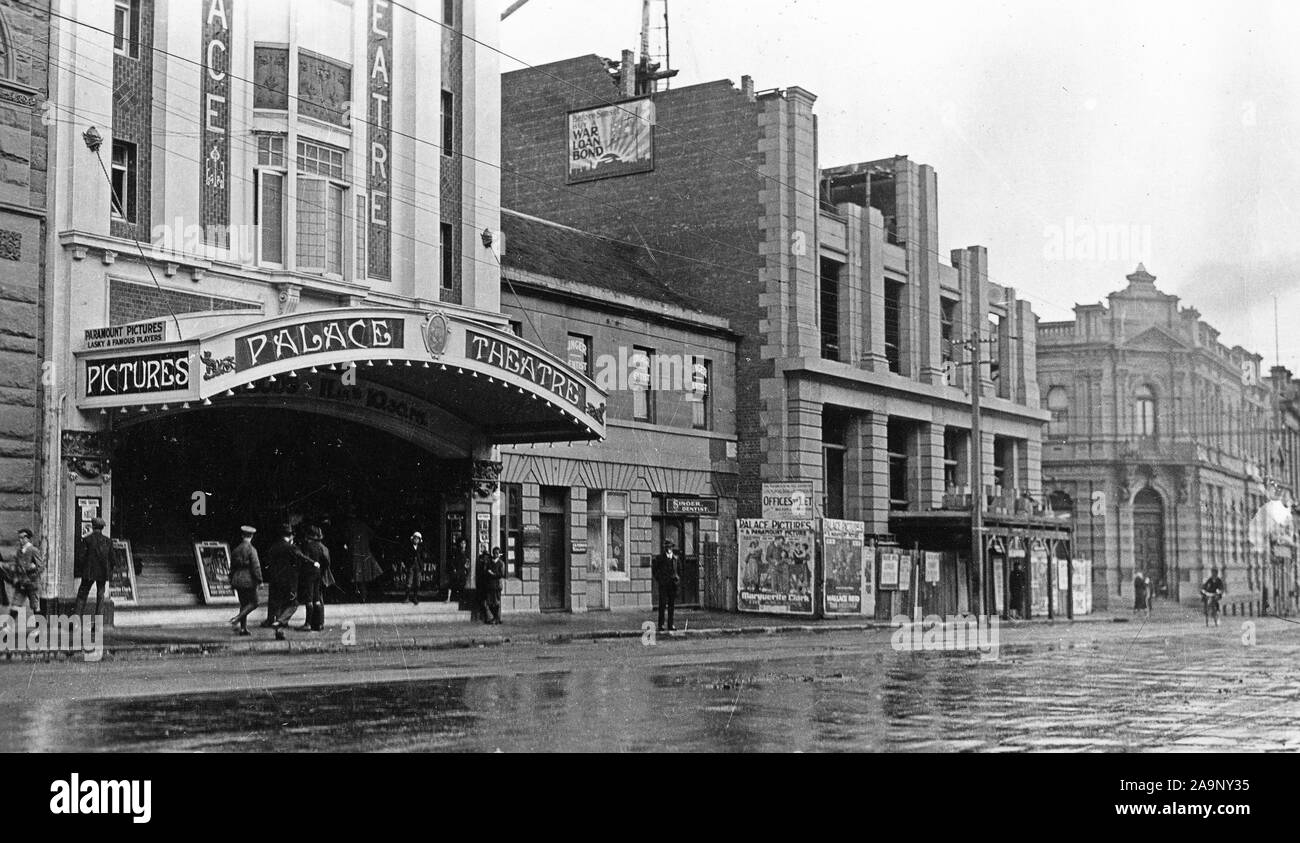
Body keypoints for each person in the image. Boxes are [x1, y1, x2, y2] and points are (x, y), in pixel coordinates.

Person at [264, 523, 310, 640]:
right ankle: (280, 621)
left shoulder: (273, 547)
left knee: (279, 605)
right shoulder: (291, 548)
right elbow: (301, 558)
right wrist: (313, 562)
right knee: (293, 604)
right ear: (291, 536)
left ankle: (279, 631)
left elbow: (267, 563)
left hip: (275, 581)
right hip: (289, 582)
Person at [74, 517, 112, 617]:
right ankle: (98, 625)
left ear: (93, 526)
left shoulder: (87, 540)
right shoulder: (108, 541)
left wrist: (82, 569)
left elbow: (81, 557)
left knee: (82, 595)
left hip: (88, 572)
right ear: (102, 528)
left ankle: (76, 623)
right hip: (103, 573)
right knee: (100, 597)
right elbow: (112, 558)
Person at [228, 526, 262, 636]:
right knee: (255, 602)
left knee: (244, 604)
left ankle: (243, 628)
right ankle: (237, 618)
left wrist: (231, 579)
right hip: (248, 579)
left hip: (237, 579)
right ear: (251, 536)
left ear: (242, 536)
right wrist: (260, 580)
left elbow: (232, 567)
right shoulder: (252, 550)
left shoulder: (236, 549)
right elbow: (256, 567)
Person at [297, 525, 331, 632]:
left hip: (309, 574)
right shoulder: (322, 547)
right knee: (317, 599)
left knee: (309, 598)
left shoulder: (308, 547)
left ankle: (308, 623)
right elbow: (326, 562)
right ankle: (319, 624)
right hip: (318, 574)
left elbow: (304, 559)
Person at [343, 511, 382, 603]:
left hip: (356, 555)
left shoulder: (350, 527)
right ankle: (364, 596)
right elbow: (372, 536)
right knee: (365, 578)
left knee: (357, 577)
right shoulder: (364, 526)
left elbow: (346, 540)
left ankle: (360, 596)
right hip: (365, 554)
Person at [9, 529, 42, 615]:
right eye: (19, 538)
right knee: (15, 604)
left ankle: (40, 626)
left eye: (22, 537)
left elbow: (41, 566)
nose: (20, 540)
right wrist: (16, 577)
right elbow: (17, 566)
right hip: (21, 583)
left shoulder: (33, 550)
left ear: (28, 538)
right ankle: (8, 627)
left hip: (32, 583)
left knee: (35, 605)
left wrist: (33, 569)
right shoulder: (19, 551)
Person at [653, 540, 682, 632]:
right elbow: (655, 570)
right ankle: (661, 624)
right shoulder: (659, 558)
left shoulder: (676, 559)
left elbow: (680, 570)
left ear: (672, 547)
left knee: (671, 605)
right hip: (663, 585)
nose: (669, 548)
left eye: (670, 546)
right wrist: (660, 579)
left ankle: (671, 624)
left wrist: (677, 578)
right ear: (664, 548)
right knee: (662, 605)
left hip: (672, 585)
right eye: (667, 546)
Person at [477, 546, 504, 624]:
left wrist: (493, 574)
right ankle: (491, 618)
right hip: (490, 585)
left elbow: (501, 574)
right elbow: (487, 571)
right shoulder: (490, 562)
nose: (496, 554)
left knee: (497, 602)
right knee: (490, 602)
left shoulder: (501, 563)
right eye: (494, 553)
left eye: (497, 553)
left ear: (499, 554)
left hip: (497, 585)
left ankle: (498, 618)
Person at [403, 531, 430, 605]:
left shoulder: (421, 548)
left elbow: (424, 556)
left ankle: (415, 597)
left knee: (417, 583)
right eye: (415, 538)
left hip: (418, 566)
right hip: (411, 565)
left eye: (418, 539)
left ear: (419, 540)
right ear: (413, 539)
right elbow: (405, 556)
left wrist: (422, 559)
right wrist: (406, 564)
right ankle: (407, 597)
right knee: (409, 582)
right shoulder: (409, 547)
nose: (416, 540)